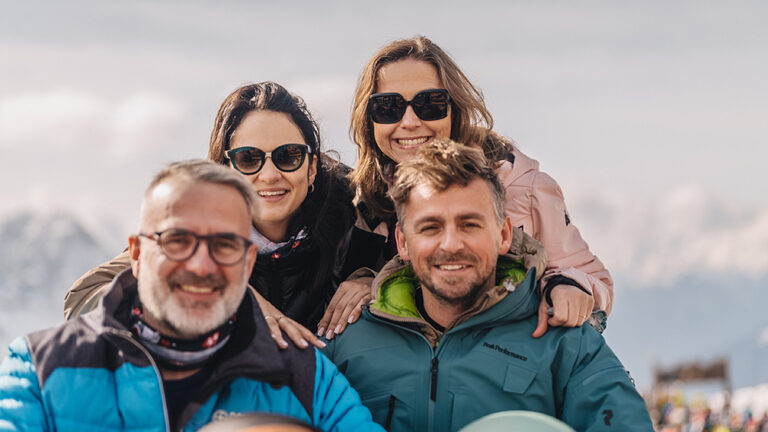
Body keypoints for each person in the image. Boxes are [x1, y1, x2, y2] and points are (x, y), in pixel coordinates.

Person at [0, 160, 382, 431]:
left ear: (248, 262)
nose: (201, 265)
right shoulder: (42, 367)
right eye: (178, 240)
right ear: (137, 254)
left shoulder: (306, 377)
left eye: (225, 244)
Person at [322, 139, 653, 432]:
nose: (451, 244)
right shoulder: (345, 345)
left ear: (504, 234)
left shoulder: (566, 344)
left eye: (470, 224)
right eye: (430, 227)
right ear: (403, 243)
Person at [330, 35, 613, 340]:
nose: (409, 122)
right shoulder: (363, 206)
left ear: (455, 109)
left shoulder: (523, 188)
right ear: (369, 120)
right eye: (388, 107)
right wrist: (370, 281)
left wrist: (566, 285)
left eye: (430, 104)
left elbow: (591, 278)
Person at [64, 82, 363, 348]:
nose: (270, 175)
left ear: (311, 168)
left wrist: (368, 280)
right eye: (248, 159)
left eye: (289, 156)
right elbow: (83, 299)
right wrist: (231, 296)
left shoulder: (355, 212)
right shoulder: (190, 223)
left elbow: (393, 261)